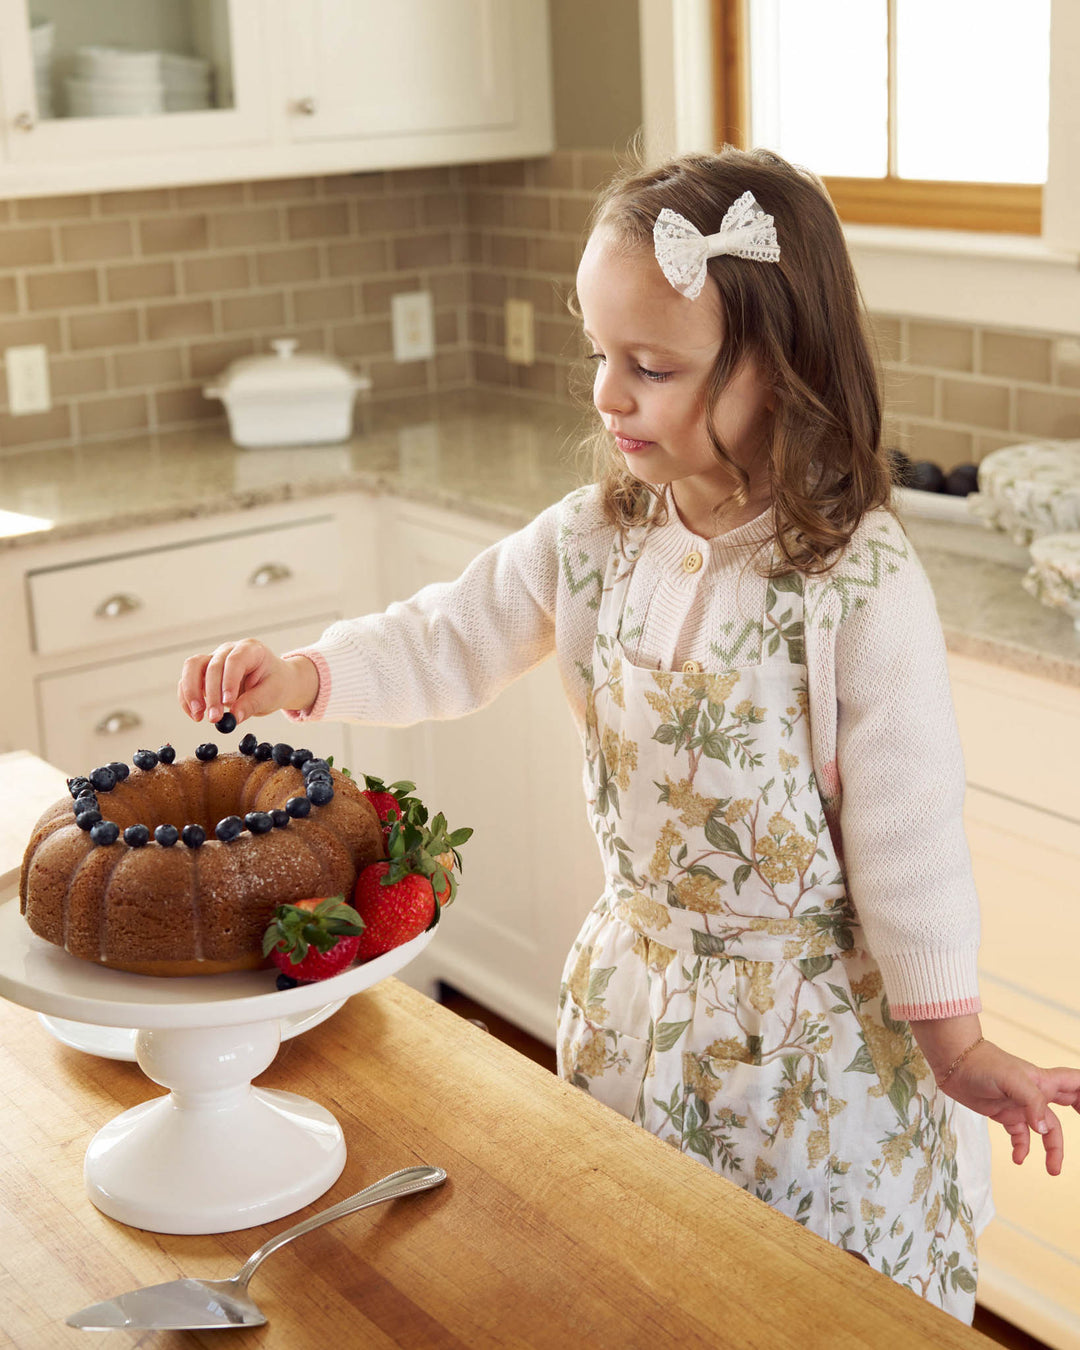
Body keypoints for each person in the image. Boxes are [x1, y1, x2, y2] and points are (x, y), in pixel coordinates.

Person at [178, 146, 1080, 1322]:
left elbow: (911, 842)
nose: (609, 395)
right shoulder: (589, 539)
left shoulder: (856, 585)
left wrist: (957, 1049)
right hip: (636, 1011)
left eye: (651, 368)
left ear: (781, 374)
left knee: (795, 1311)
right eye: (601, 356)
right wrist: (306, 672)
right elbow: (449, 636)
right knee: (644, 1291)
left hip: (810, 1064)